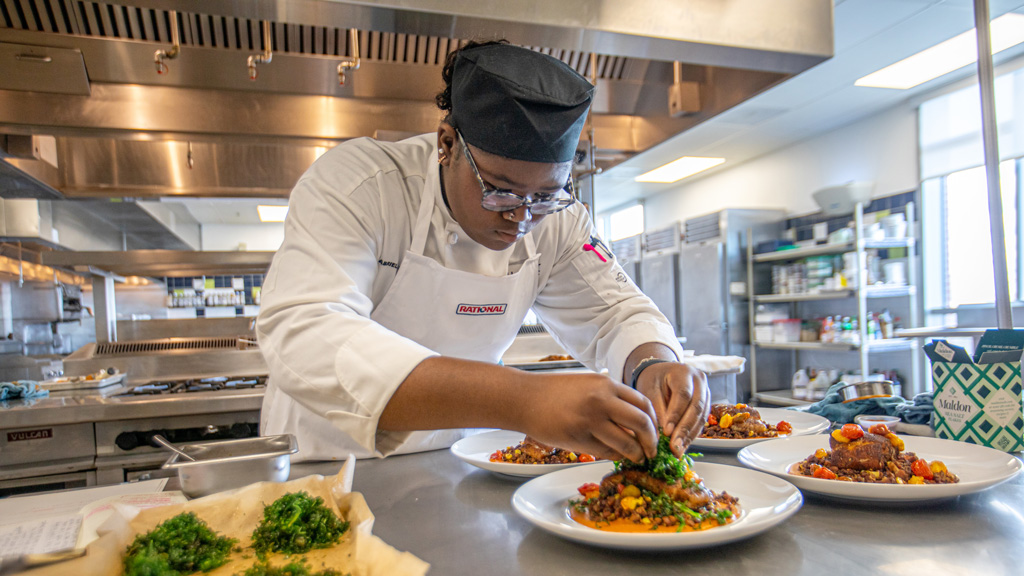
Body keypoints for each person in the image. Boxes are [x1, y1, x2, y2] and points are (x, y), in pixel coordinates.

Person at [257, 40, 708, 462]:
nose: (522, 217)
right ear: (447, 144)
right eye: (500, 191)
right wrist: (522, 399)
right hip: (327, 462)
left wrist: (653, 365)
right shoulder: (362, 185)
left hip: (456, 465)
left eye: (546, 196)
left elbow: (617, 314)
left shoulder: (559, 220)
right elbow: (307, 329)